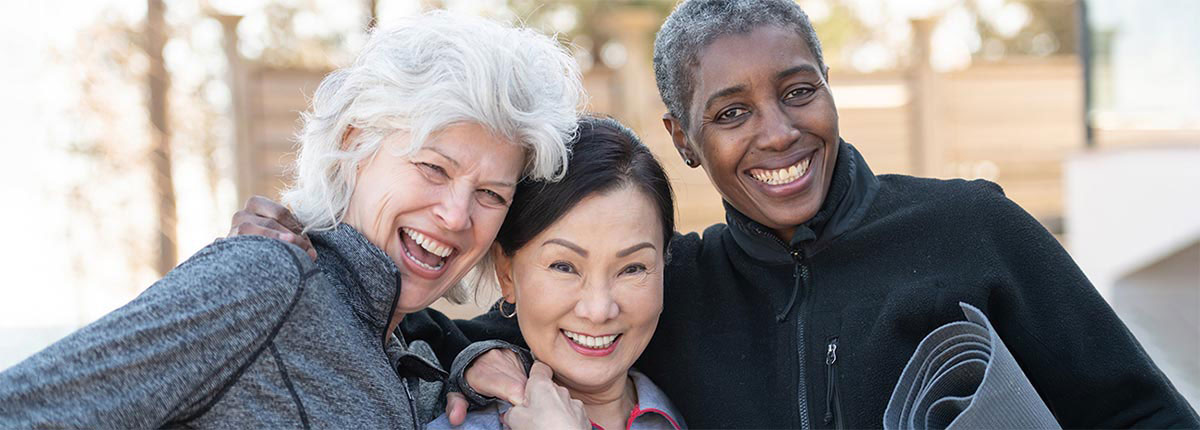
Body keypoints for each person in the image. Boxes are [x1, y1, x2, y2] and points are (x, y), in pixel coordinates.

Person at [233, 1, 1200, 428]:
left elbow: (1143, 416)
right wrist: (297, 257)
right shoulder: (663, 285)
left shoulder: (972, 230)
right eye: (730, 114)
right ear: (684, 139)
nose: (777, 133)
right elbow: (447, 318)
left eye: (799, 91)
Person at [0, 11, 583, 428]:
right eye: (432, 168)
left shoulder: (421, 362)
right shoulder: (267, 278)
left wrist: (464, 371)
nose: (457, 215)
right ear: (356, 142)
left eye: (490, 193)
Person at [426, 117, 685, 430]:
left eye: (633, 268)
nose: (599, 310)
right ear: (506, 273)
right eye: (564, 267)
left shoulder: (683, 409)